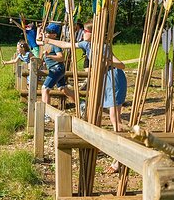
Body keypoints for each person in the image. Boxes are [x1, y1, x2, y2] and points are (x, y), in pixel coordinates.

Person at [46, 20, 126, 174]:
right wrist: (48, 40)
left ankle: (119, 160)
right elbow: (65, 45)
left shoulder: (104, 47)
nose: (83, 33)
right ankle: (103, 147)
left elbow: (121, 65)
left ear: (93, 33)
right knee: (99, 114)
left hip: (114, 79)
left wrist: (106, 60)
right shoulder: (85, 45)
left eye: (86, 31)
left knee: (114, 117)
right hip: (102, 80)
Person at [39, 23, 79, 122]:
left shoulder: (55, 44)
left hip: (56, 68)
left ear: (54, 35)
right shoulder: (46, 43)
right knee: (63, 89)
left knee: (45, 89)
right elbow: (37, 41)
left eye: (49, 32)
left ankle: (47, 114)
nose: (47, 34)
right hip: (56, 69)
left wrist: (49, 56)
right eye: (46, 31)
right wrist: (38, 31)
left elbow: (61, 57)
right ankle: (81, 104)